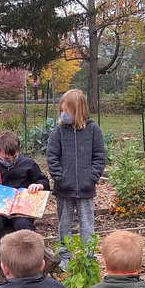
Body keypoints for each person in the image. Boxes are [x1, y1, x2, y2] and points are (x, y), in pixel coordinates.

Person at [0, 131, 50, 284]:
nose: (10, 160)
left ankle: (33, 265)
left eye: (14, 156)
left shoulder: (27, 164)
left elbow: (44, 181)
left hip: (21, 209)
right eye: (5, 157)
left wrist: (38, 185)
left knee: (24, 227)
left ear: (18, 151)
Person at [46, 88, 106, 267]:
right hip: (64, 189)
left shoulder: (93, 131)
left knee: (87, 224)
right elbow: (52, 156)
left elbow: (99, 157)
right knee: (64, 224)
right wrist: (59, 177)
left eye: (67, 111)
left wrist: (92, 177)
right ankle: (64, 257)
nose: (63, 114)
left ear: (77, 110)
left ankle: (88, 257)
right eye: (61, 111)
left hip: (86, 189)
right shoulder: (58, 132)